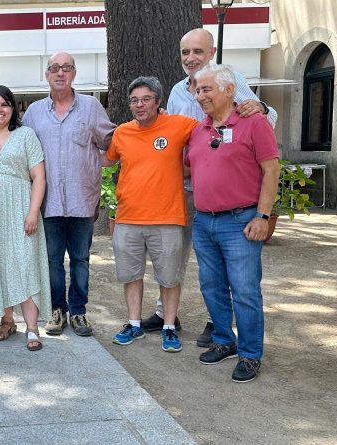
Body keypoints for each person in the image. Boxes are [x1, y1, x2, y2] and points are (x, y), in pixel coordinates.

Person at [144, 28, 279, 347]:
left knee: (230, 272)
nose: (190, 58)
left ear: (212, 52)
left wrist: (258, 107)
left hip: (227, 194)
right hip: (188, 188)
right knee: (176, 255)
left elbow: (262, 121)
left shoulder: (228, 79)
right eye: (185, 52)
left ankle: (216, 324)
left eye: (197, 52)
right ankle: (167, 313)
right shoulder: (177, 91)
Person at [187, 65, 279, 382]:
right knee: (212, 287)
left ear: (229, 90)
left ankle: (251, 355)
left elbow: (271, 171)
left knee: (244, 291)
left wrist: (263, 215)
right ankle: (224, 340)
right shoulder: (200, 131)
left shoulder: (254, 122)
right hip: (204, 222)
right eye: (197, 90)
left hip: (241, 222)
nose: (200, 96)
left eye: (207, 89)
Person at [22, 52, 115, 337]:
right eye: (54, 68)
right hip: (48, 202)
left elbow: (112, 142)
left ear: (74, 73)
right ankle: (57, 311)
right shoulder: (34, 113)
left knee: (80, 260)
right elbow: (19, 147)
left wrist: (97, 164)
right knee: (51, 261)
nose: (60, 73)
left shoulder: (91, 107)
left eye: (66, 68)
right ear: (46, 74)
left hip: (82, 200)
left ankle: (79, 312)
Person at [102, 77, 197, 353]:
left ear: (158, 102)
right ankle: (134, 324)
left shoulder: (179, 125)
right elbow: (106, 159)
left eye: (145, 99)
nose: (139, 105)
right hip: (128, 218)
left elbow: (210, 132)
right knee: (130, 276)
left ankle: (169, 327)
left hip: (168, 218)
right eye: (134, 100)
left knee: (169, 278)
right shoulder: (122, 132)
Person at [0, 85, 51, 351]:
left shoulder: (25, 135)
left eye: (4, 104)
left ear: (13, 108)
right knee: (0, 264)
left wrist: (33, 211)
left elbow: (39, 176)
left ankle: (32, 327)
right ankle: (6, 320)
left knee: (24, 263)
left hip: (19, 209)